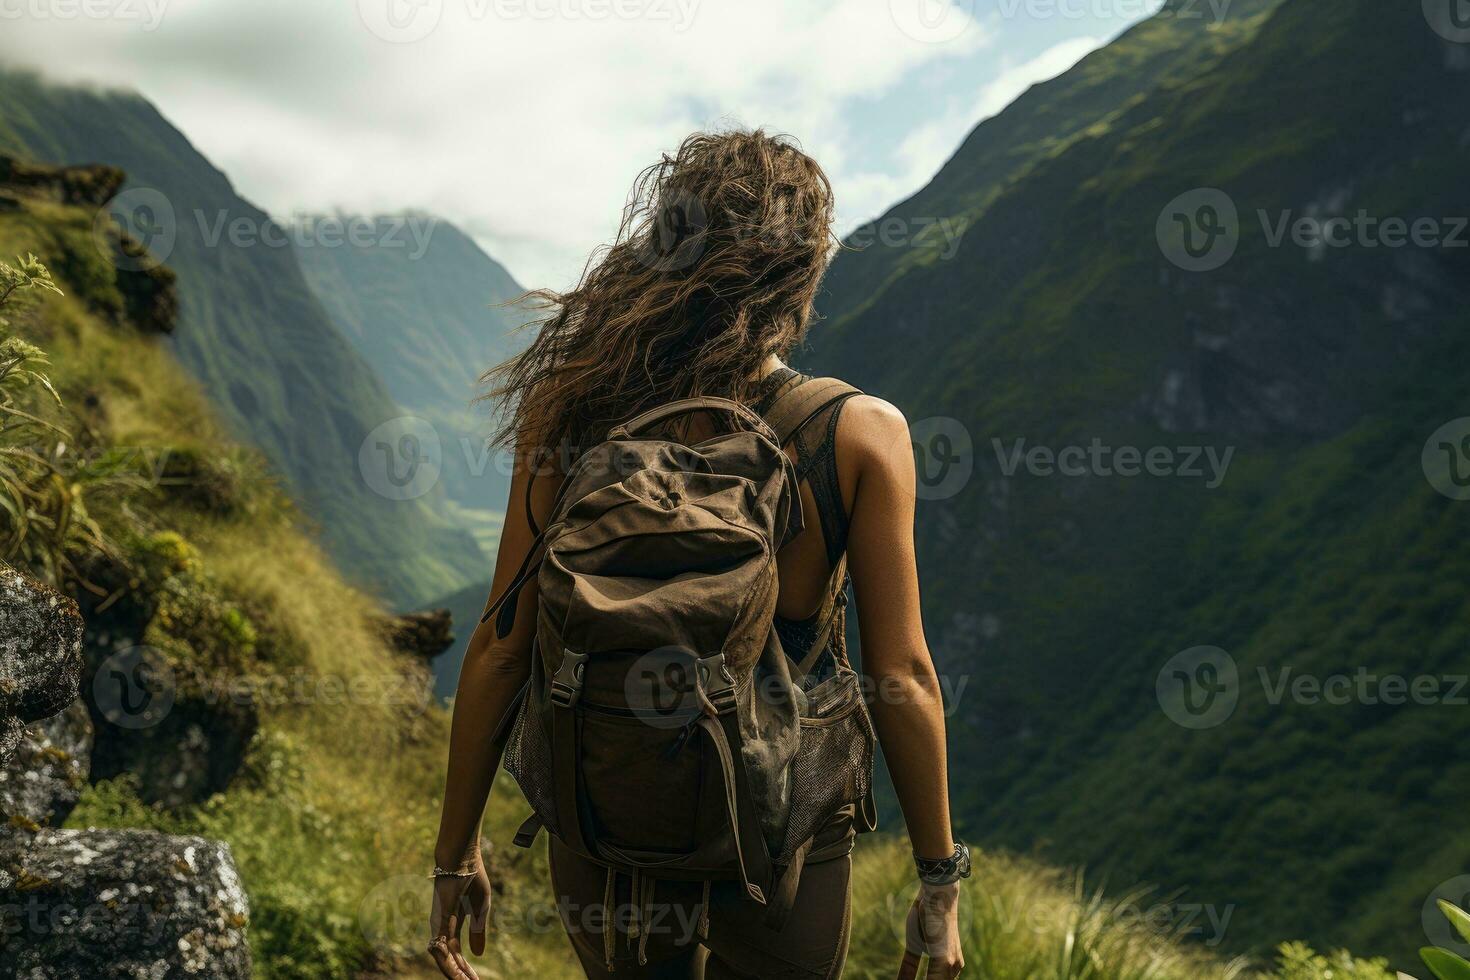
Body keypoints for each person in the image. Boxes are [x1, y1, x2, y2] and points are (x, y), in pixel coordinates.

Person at [429, 129, 967, 979]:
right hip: (777, 842)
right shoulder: (856, 433)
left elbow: (502, 646)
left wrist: (454, 854)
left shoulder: (568, 414)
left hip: (603, 815)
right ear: (804, 269)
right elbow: (900, 674)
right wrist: (939, 879)